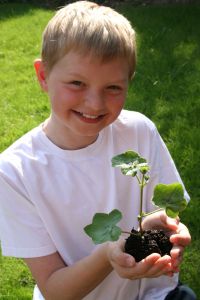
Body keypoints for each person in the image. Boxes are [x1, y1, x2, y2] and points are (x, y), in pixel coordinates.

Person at [0, 1, 196, 300]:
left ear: (128, 82)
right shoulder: (15, 172)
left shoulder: (139, 131)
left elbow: (161, 210)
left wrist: (162, 225)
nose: (95, 103)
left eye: (113, 88)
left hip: (158, 294)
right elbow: (54, 289)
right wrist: (108, 256)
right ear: (43, 76)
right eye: (77, 83)